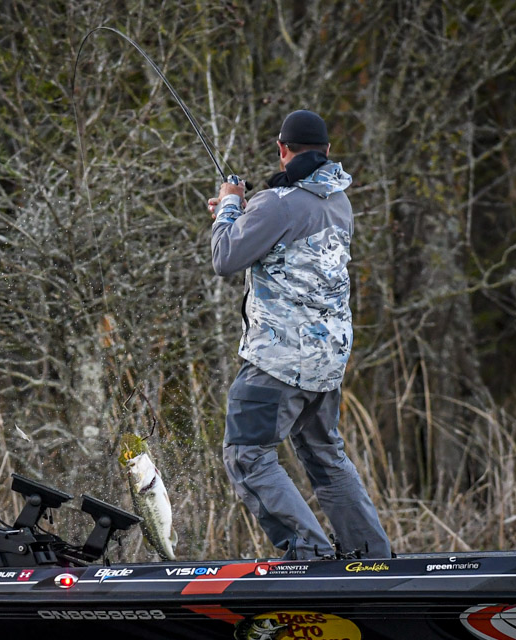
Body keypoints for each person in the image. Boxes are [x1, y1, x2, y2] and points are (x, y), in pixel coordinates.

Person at [208, 110, 391, 560]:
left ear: (281, 149)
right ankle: (371, 556)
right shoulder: (338, 201)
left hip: (278, 361)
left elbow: (225, 258)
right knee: (324, 454)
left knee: (246, 455)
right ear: (327, 151)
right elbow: (281, 235)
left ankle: (309, 557)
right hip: (327, 362)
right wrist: (242, 217)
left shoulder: (276, 203)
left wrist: (230, 206)